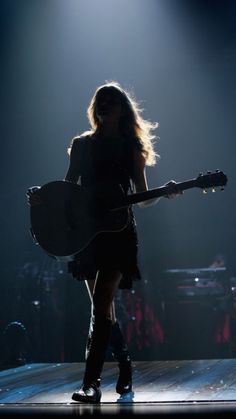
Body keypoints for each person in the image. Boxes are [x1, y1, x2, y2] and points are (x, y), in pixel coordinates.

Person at [28, 81, 180, 403]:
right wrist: (45, 202)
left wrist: (163, 193)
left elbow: (141, 197)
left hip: (118, 233)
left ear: (123, 108)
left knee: (100, 304)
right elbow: (68, 187)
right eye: (100, 101)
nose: (104, 105)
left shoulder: (132, 147)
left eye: (111, 101)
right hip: (85, 236)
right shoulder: (81, 145)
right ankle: (124, 365)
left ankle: (90, 384)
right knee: (102, 309)